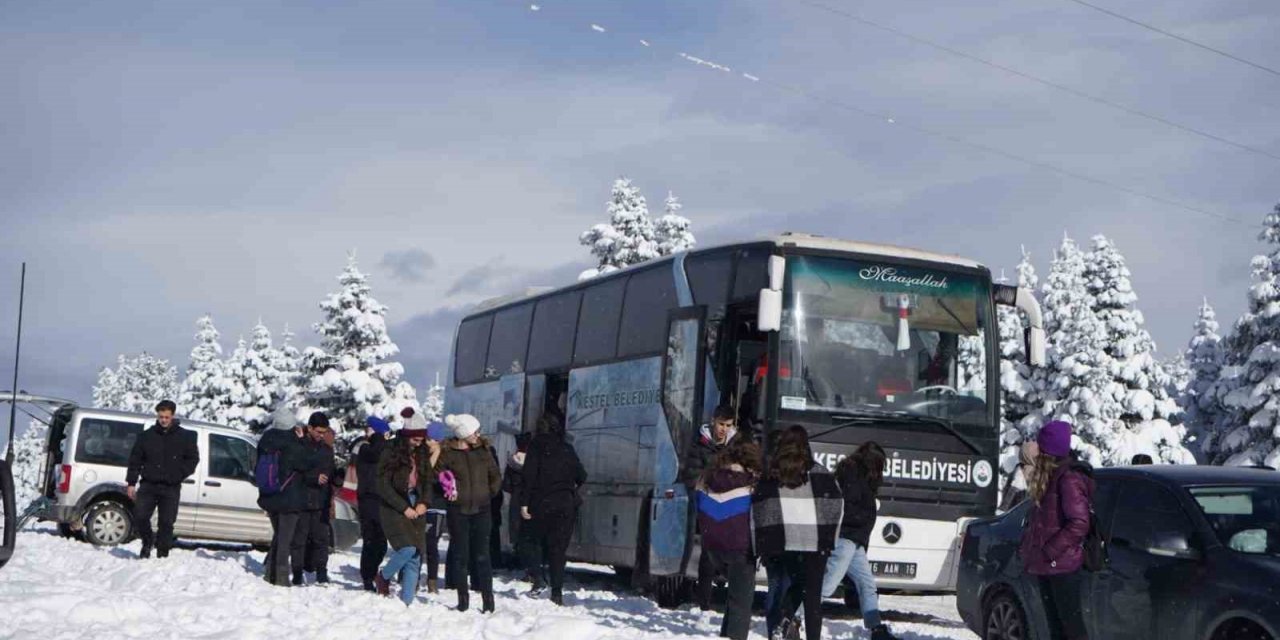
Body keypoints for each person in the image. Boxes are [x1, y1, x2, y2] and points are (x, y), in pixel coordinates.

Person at [752, 426, 843, 640]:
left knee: (796, 584)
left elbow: (760, 508)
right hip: (815, 544)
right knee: (812, 599)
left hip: (784, 542)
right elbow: (835, 506)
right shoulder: (820, 473)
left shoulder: (772, 474)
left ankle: (782, 621)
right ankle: (805, 632)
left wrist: (763, 543)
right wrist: (830, 539)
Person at [1019, 420, 1094, 640]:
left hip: (1063, 565)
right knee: (1056, 629)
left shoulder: (1068, 479)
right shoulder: (1050, 478)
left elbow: (1079, 523)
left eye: (1041, 447)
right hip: (1048, 565)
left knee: (1072, 630)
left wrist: (1051, 550)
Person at [821, 442, 898, 640]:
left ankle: (876, 628)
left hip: (855, 542)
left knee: (867, 584)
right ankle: (792, 617)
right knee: (827, 586)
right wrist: (864, 517)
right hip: (846, 539)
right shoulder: (853, 476)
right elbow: (848, 508)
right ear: (872, 463)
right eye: (880, 466)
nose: (881, 473)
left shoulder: (856, 475)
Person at [430, 413, 501, 613]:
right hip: (458, 511)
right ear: (463, 434)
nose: (478, 434)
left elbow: (495, 475)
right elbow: (436, 477)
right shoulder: (448, 454)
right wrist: (446, 491)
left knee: (482, 556)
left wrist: (489, 494)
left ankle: (488, 600)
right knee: (461, 555)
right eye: (474, 431)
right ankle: (463, 599)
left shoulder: (484, 451)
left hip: (482, 510)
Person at [695, 438, 761, 640]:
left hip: (712, 547)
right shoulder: (751, 484)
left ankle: (726, 635)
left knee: (734, 600)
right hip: (740, 548)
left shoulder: (707, 478)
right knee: (741, 602)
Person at [520, 414, 587, 605]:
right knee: (558, 550)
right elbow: (582, 475)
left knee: (530, 541)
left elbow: (529, 476)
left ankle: (538, 578)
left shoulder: (535, 447)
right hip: (565, 504)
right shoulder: (567, 448)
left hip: (540, 503)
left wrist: (524, 503)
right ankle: (557, 592)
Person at [125, 400, 199, 559]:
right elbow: (135, 460)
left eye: (166, 417)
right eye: (161, 417)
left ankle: (162, 553)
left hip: (170, 487)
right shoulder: (146, 436)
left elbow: (193, 459)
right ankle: (147, 542)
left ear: (172, 416)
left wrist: (179, 474)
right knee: (140, 517)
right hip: (148, 485)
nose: (163, 420)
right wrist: (131, 483)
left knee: (166, 523)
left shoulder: (185, 436)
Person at [684, 405, 739, 610]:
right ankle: (703, 602)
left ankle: (731, 602)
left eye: (728, 425)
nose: (724, 429)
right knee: (708, 556)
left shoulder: (736, 447)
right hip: (708, 505)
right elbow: (691, 477)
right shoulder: (700, 445)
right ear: (713, 421)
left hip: (733, 505)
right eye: (721, 424)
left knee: (734, 556)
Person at [373, 419, 433, 606]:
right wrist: (404, 507)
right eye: (415, 439)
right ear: (407, 436)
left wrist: (424, 502)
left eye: (421, 439)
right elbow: (382, 484)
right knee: (407, 548)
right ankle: (383, 576)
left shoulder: (422, 452)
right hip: (394, 505)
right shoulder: (390, 450)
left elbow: (428, 481)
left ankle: (407, 601)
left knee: (416, 554)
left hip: (416, 502)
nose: (419, 443)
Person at [258, 406, 310, 586]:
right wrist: (302, 440)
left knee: (279, 535)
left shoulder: (266, 440)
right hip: (289, 498)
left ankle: (269, 573)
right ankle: (280, 578)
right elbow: (306, 462)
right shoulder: (292, 442)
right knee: (285, 540)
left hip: (270, 495)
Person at [292, 412, 337, 585]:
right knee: (300, 539)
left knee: (321, 539)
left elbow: (330, 471)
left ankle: (321, 572)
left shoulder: (326, 449)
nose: (321, 435)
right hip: (303, 499)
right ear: (310, 428)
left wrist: (336, 478)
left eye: (324, 432)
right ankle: (297, 572)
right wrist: (313, 478)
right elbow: (295, 471)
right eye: (318, 431)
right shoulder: (300, 445)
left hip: (321, 500)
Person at [355, 416, 392, 591]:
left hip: (380, 500)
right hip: (370, 499)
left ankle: (372, 573)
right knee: (371, 540)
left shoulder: (382, 449)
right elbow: (375, 453)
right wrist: (379, 437)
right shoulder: (364, 448)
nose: (366, 433)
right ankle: (368, 577)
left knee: (380, 542)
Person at [503, 432, 543, 590]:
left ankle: (526, 568)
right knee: (532, 535)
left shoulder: (512, 461)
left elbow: (506, 485)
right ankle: (535, 569)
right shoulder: (535, 461)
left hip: (516, 500)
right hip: (531, 500)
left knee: (518, 534)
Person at [422, 419, 449, 593]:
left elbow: (430, 477)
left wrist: (436, 455)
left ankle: (432, 581)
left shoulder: (446, 459)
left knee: (431, 545)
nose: (426, 443)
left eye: (430, 440)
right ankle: (410, 577)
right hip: (422, 505)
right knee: (417, 544)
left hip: (437, 506)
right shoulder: (422, 456)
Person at [999, 441, 1040, 512]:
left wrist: (1002, 510)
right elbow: (1011, 494)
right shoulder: (1026, 472)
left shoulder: (1021, 469)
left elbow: (1009, 497)